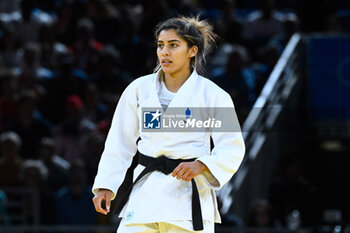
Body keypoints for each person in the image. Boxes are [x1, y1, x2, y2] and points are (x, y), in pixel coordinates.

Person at [91, 16, 245, 233]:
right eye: (161, 45)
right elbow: (119, 142)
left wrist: (201, 165)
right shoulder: (139, 90)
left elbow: (232, 146)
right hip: (145, 197)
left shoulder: (213, 95)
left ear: (192, 51)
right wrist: (107, 185)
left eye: (174, 45)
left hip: (187, 200)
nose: (164, 52)